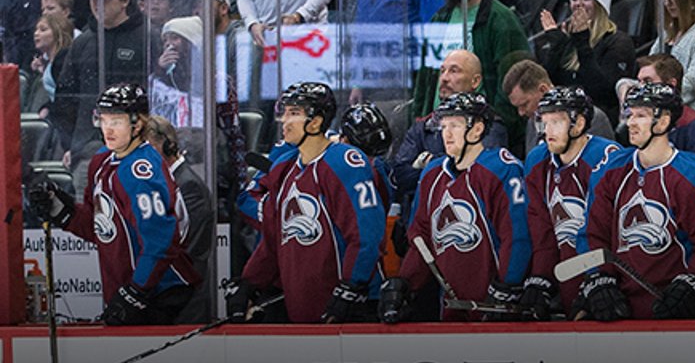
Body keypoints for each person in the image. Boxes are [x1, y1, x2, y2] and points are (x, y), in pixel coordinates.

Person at [28, 84, 197, 325]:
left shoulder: (142, 171)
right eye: (103, 119)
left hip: (160, 292)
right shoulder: (102, 161)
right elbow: (102, 228)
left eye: (116, 121)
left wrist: (137, 291)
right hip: (128, 288)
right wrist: (62, 210)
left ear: (137, 124)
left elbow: (160, 243)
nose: (108, 128)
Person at [229, 82, 387, 323]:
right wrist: (250, 282)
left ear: (315, 122)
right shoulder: (283, 169)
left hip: (350, 306)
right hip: (301, 306)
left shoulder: (344, 161)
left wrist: (351, 286)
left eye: (294, 113)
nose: (284, 120)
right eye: (284, 112)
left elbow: (366, 235)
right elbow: (274, 241)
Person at [579, 82, 695, 321]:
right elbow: (593, 233)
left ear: (663, 122)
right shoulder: (610, 170)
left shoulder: (694, 176)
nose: (630, 122)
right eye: (630, 114)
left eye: (641, 115)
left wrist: (694, 283)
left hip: (674, 313)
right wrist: (598, 277)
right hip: (620, 311)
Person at [381, 93, 530, 322]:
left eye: (455, 125)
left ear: (477, 129)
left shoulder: (502, 169)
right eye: (444, 125)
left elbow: (517, 235)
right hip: (450, 305)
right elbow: (421, 239)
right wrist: (406, 283)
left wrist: (508, 284)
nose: (446, 133)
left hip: (498, 307)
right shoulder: (432, 173)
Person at [520, 85, 626, 314]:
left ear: (578, 124)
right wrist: (541, 277)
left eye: (556, 122)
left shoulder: (607, 157)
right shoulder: (537, 161)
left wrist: (599, 276)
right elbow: (543, 232)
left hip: (612, 282)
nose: (547, 130)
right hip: (568, 278)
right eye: (544, 122)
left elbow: (611, 232)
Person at [413, 0, 529, 142]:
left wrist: (497, 126)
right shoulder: (440, 17)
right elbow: (425, 78)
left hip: (479, 131)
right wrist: (417, 120)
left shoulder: (501, 20)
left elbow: (511, 79)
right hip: (436, 127)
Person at [391, 49, 512, 227]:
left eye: (454, 71)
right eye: (442, 71)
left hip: (471, 230)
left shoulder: (490, 126)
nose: (445, 78)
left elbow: (474, 176)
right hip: (422, 233)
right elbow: (401, 177)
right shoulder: (423, 126)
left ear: (475, 81)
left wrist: (426, 165)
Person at [49, 0, 148, 175]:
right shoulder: (83, 42)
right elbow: (65, 96)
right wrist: (71, 143)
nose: (97, 4)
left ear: (124, 0)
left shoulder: (146, 38)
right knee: (87, 204)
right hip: (87, 151)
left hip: (136, 148)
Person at [534, 0, 634, 123]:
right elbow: (549, 81)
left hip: (598, 121)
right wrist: (556, 44)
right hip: (565, 119)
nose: (578, 4)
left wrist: (582, 42)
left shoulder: (618, 42)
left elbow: (602, 92)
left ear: (600, 4)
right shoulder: (568, 41)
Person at [143, 114, 213, 323]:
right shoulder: (160, 182)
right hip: (164, 301)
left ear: (168, 146)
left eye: (148, 149)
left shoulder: (189, 186)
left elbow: (190, 251)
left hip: (184, 305)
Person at [634, 54, 695, 173]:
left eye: (648, 81)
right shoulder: (636, 121)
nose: (641, 88)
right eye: (639, 81)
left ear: (671, 84)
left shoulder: (693, 125)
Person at [22, 13, 71, 118]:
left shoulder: (63, 60)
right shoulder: (48, 62)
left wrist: (49, 108)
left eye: (43, 30)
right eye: (36, 29)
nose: (36, 33)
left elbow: (64, 96)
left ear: (58, 33)